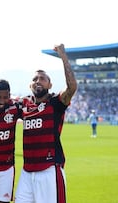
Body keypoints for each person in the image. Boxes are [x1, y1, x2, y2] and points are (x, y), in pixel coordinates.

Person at [15, 44, 77, 203]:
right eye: (35, 79)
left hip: (49, 169)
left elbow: (72, 87)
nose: (38, 81)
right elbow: (0, 103)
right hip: (27, 171)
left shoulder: (55, 102)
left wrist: (63, 56)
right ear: (30, 85)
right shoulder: (23, 104)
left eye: (43, 79)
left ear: (50, 85)